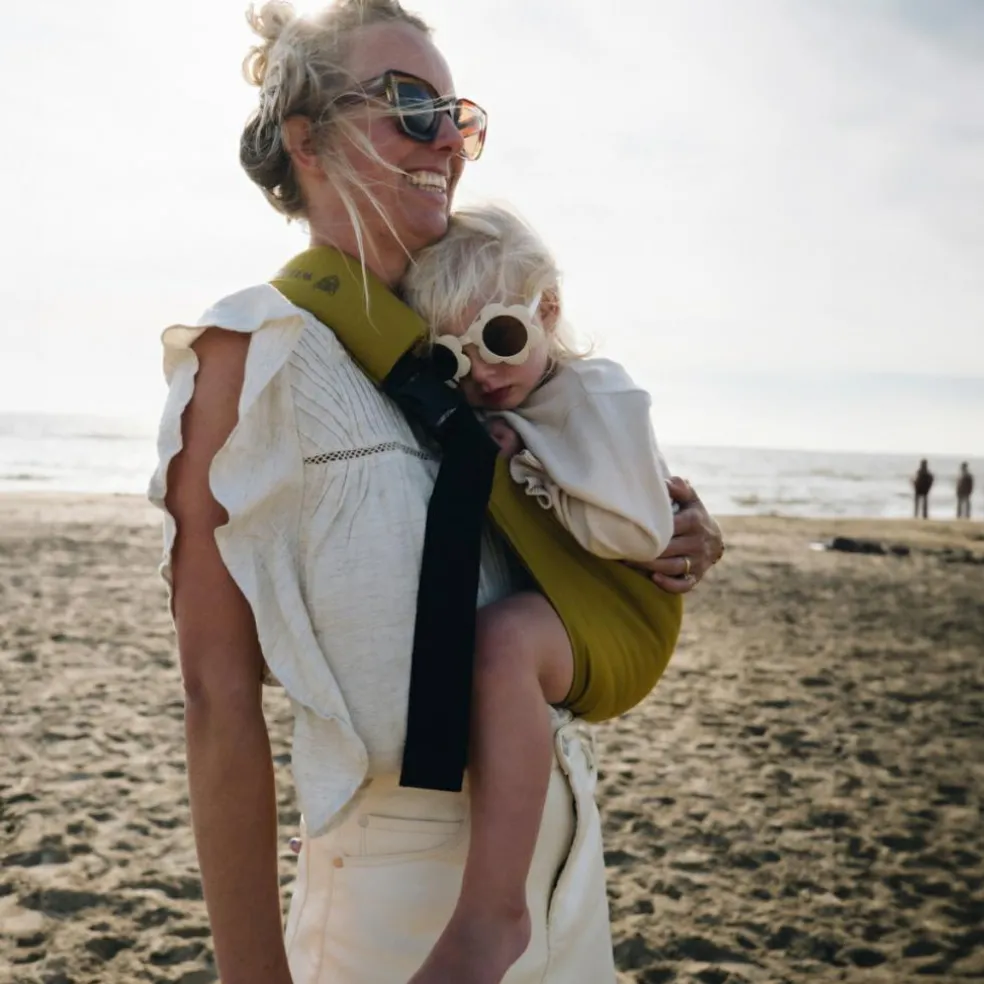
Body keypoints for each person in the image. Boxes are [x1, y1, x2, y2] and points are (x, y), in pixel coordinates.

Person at [147, 3, 725, 983]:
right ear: (310, 142)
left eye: (457, 114)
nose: (448, 139)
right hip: (397, 899)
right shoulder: (255, 354)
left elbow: (558, 515)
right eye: (411, 106)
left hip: (561, 868)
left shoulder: (470, 352)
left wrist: (673, 525)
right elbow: (217, 694)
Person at [400, 204, 676, 983]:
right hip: (568, 595)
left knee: (500, 644)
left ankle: (494, 914)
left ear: (547, 312)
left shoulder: (597, 395)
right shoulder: (505, 401)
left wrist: (531, 461)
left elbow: (637, 534)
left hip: (622, 604)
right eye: (455, 359)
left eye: (501, 338)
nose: (484, 373)